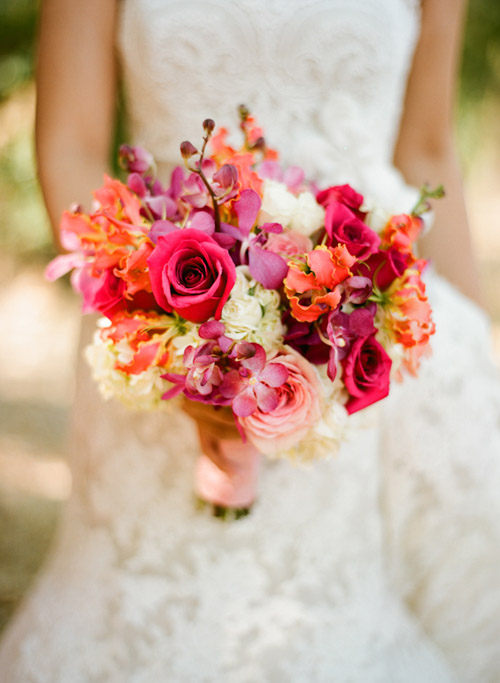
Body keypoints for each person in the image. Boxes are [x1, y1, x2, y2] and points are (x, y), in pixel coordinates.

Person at [1, 0, 499, 680]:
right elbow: (71, 143)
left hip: (354, 341)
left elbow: (427, 149)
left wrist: (475, 355)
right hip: (157, 318)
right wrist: (159, 321)